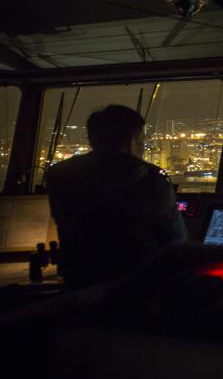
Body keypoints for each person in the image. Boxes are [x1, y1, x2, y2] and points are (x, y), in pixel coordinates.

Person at [46, 105, 186, 288]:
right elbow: (175, 240)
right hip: (139, 283)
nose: (142, 148)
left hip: (79, 281)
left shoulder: (60, 175)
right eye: (142, 141)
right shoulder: (151, 180)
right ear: (131, 141)